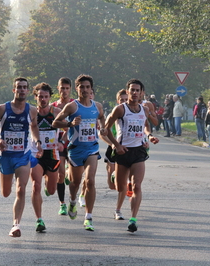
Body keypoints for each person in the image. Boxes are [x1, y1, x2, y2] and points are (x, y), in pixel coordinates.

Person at [0, 77, 43, 237]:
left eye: (25, 87)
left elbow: (34, 126)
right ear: (14, 90)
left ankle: (16, 225)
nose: (22, 90)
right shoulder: (3, 109)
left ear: (27, 90)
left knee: (21, 189)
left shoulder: (31, 110)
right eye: (19, 87)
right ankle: (8, 180)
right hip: (5, 155)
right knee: (6, 192)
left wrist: (37, 142)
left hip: (22, 156)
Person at [52, 74, 106, 231]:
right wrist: (70, 123)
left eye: (87, 87)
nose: (85, 90)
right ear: (77, 88)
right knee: (74, 183)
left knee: (90, 181)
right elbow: (55, 123)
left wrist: (102, 127)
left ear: (91, 89)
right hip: (76, 150)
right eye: (81, 87)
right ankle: (73, 200)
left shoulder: (97, 106)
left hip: (92, 148)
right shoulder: (72, 107)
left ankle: (88, 217)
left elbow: (102, 118)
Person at [105, 78, 159, 232]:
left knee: (136, 186)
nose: (135, 93)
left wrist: (149, 136)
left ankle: (133, 219)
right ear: (127, 91)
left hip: (138, 152)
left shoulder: (145, 110)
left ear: (142, 93)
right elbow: (106, 128)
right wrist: (116, 145)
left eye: (137, 90)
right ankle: (116, 175)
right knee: (120, 187)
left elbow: (146, 126)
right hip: (123, 151)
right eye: (132, 90)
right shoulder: (120, 109)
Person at [30, 82, 63, 232]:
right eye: (40, 97)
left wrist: (62, 142)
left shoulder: (56, 112)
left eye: (45, 97)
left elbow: (68, 127)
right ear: (35, 97)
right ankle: (39, 220)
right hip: (36, 154)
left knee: (51, 190)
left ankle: (47, 183)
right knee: (35, 185)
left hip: (52, 154)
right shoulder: (31, 113)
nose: (43, 99)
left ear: (50, 97)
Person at [51, 77, 74, 215]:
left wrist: (66, 136)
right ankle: (62, 204)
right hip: (57, 144)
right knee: (60, 175)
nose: (64, 91)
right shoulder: (53, 106)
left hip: (73, 143)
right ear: (58, 88)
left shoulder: (75, 105)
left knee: (72, 176)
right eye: (62, 88)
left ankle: (72, 199)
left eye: (67, 88)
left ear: (70, 89)